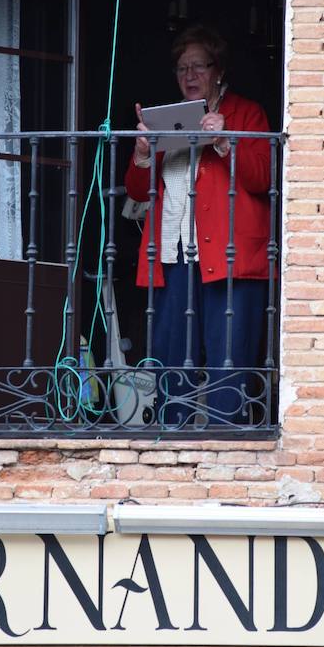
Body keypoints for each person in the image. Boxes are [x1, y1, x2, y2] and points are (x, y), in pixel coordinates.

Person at [124, 24, 271, 427]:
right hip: (172, 254)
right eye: (181, 68)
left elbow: (263, 178)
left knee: (229, 358)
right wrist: (141, 152)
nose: (189, 76)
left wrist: (225, 141)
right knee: (172, 356)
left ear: (218, 70)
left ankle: (228, 440)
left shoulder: (247, 113)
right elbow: (138, 191)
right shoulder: (167, 119)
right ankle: (172, 434)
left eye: (199, 67)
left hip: (229, 257)